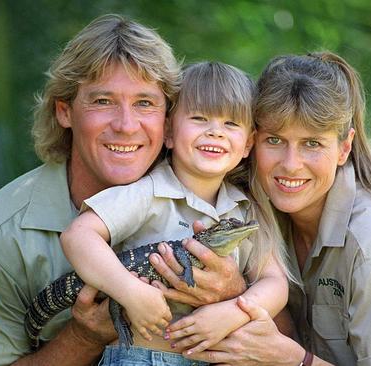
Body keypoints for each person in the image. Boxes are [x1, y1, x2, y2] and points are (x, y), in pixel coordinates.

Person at [0, 15, 247, 365]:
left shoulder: (220, 195)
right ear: (65, 111)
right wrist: (84, 337)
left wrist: (233, 292)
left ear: (168, 120)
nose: (125, 125)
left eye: (145, 103)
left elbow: (286, 335)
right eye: (103, 101)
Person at [161, 52, 371, 365]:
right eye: (275, 140)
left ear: (344, 148)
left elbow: (280, 352)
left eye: (312, 144)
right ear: (252, 140)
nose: (291, 165)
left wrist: (293, 360)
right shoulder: (252, 212)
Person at [59, 61, 290, 366]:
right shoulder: (147, 192)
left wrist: (233, 311)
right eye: (199, 118)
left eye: (230, 124)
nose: (215, 132)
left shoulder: (246, 208)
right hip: (141, 357)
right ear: (168, 131)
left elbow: (275, 283)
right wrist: (130, 292)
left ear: (248, 143)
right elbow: (79, 236)